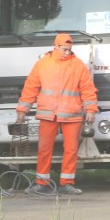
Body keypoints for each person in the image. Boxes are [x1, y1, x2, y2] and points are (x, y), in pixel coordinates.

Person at [15, 33, 98, 195]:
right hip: (49, 115)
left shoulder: (78, 65)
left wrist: (90, 109)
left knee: (71, 150)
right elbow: (30, 88)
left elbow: (88, 89)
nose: (67, 52)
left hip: (71, 115)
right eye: (64, 49)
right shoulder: (42, 64)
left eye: (69, 49)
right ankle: (41, 182)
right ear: (56, 46)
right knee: (44, 149)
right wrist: (22, 111)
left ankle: (67, 183)